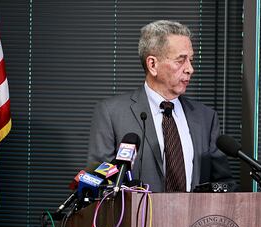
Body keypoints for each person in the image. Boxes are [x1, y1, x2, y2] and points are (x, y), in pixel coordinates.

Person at [87, 20, 232, 192]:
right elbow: (99, 180)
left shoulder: (205, 117)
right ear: (152, 65)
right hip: (138, 217)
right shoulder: (112, 113)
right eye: (181, 60)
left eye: (191, 60)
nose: (190, 69)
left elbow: (224, 184)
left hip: (194, 218)